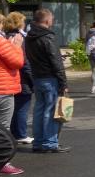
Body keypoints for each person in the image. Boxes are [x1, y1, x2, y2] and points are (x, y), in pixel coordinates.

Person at [25, 8, 70, 153]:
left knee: (39, 110)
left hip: (37, 77)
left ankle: (38, 142)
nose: (53, 21)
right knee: (50, 111)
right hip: (50, 78)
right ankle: (50, 142)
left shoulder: (29, 37)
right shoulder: (48, 37)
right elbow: (56, 61)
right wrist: (63, 82)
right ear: (47, 20)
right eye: (52, 19)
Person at [0, 12, 25, 174]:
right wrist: (17, 47)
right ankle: (2, 162)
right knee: (2, 129)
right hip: (2, 90)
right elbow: (17, 62)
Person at [4, 12, 33, 145]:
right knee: (22, 107)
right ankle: (20, 134)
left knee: (14, 107)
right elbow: (24, 61)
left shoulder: (4, 36)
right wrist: (32, 80)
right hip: (22, 78)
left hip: (9, 78)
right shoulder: (19, 38)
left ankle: (14, 133)